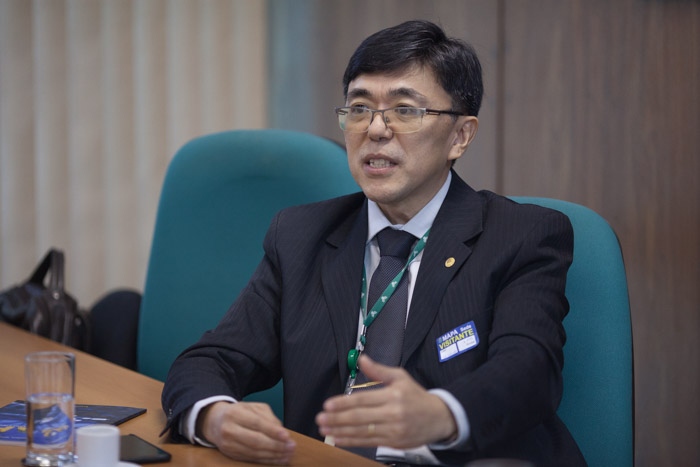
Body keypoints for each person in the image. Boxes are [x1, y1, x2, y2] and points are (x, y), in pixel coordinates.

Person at [161, 19, 586, 466]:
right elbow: (212, 359)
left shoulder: (520, 235)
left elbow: (529, 370)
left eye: (405, 110)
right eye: (360, 108)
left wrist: (443, 414)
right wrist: (215, 416)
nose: (376, 130)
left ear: (460, 136)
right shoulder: (302, 235)